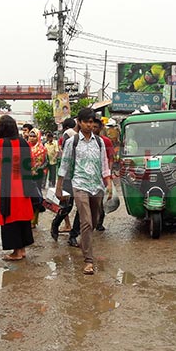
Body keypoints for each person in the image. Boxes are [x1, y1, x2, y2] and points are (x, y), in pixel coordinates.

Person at [56, 108, 112, 275]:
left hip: (97, 186)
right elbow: (64, 164)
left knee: (94, 221)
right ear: (79, 122)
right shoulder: (72, 142)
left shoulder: (100, 142)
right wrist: (59, 187)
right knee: (86, 221)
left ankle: (84, 240)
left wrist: (108, 183)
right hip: (79, 184)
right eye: (86, 122)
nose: (89, 125)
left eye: (91, 122)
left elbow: (104, 164)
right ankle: (88, 260)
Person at [0, 115, 35, 261]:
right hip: (23, 185)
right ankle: (22, 249)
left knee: (10, 216)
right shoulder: (23, 143)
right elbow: (31, 162)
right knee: (22, 216)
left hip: (9, 186)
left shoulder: (2, 142)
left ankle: (16, 252)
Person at [93, 118, 114, 231]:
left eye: (96, 127)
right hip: (90, 176)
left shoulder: (106, 141)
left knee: (100, 201)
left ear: (100, 128)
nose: (93, 129)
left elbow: (110, 158)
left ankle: (99, 222)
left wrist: (109, 175)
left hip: (102, 175)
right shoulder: (85, 141)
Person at [27, 128, 47, 228]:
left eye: (34, 136)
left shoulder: (42, 149)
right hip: (27, 175)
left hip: (37, 176)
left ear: (38, 136)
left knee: (36, 197)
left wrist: (38, 169)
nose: (32, 138)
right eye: (30, 135)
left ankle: (33, 221)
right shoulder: (25, 147)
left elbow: (46, 162)